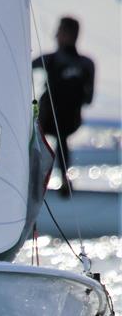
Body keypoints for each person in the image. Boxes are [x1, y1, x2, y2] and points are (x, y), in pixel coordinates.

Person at [32, 16, 95, 197]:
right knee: (61, 136)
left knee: (56, 130)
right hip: (69, 122)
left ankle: (36, 179)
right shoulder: (87, 64)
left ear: (67, 35)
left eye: (59, 31)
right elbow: (88, 99)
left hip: (52, 120)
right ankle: (65, 181)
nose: (55, 35)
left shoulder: (52, 59)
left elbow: (26, 67)